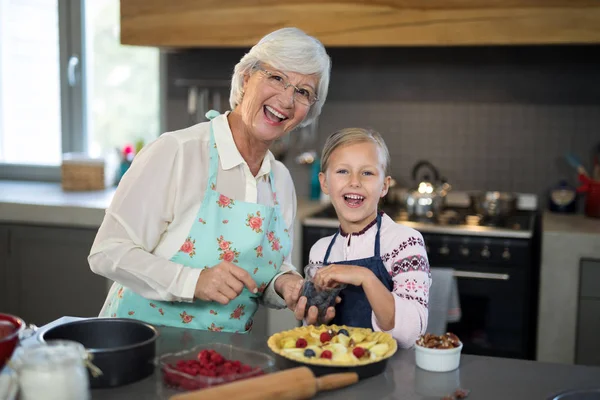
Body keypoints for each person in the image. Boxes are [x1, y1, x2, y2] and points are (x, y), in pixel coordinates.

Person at [89, 27, 332, 333]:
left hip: (224, 358)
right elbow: (107, 252)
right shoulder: (178, 152)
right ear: (246, 78)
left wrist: (286, 283)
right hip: (140, 345)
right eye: (276, 77)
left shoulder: (280, 181)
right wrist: (194, 281)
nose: (286, 99)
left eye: (303, 92)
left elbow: (266, 273)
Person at [305, 128, 431, 348]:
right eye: (343, 171)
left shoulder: (405, 243)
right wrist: (318, 321)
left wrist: (365, 277)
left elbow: (411, 334)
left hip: (392, 375)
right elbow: (316, 334)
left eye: (367, 173)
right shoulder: (320, 251)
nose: (355, 182)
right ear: (324, 183)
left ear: (384, 186)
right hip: (338, 371)